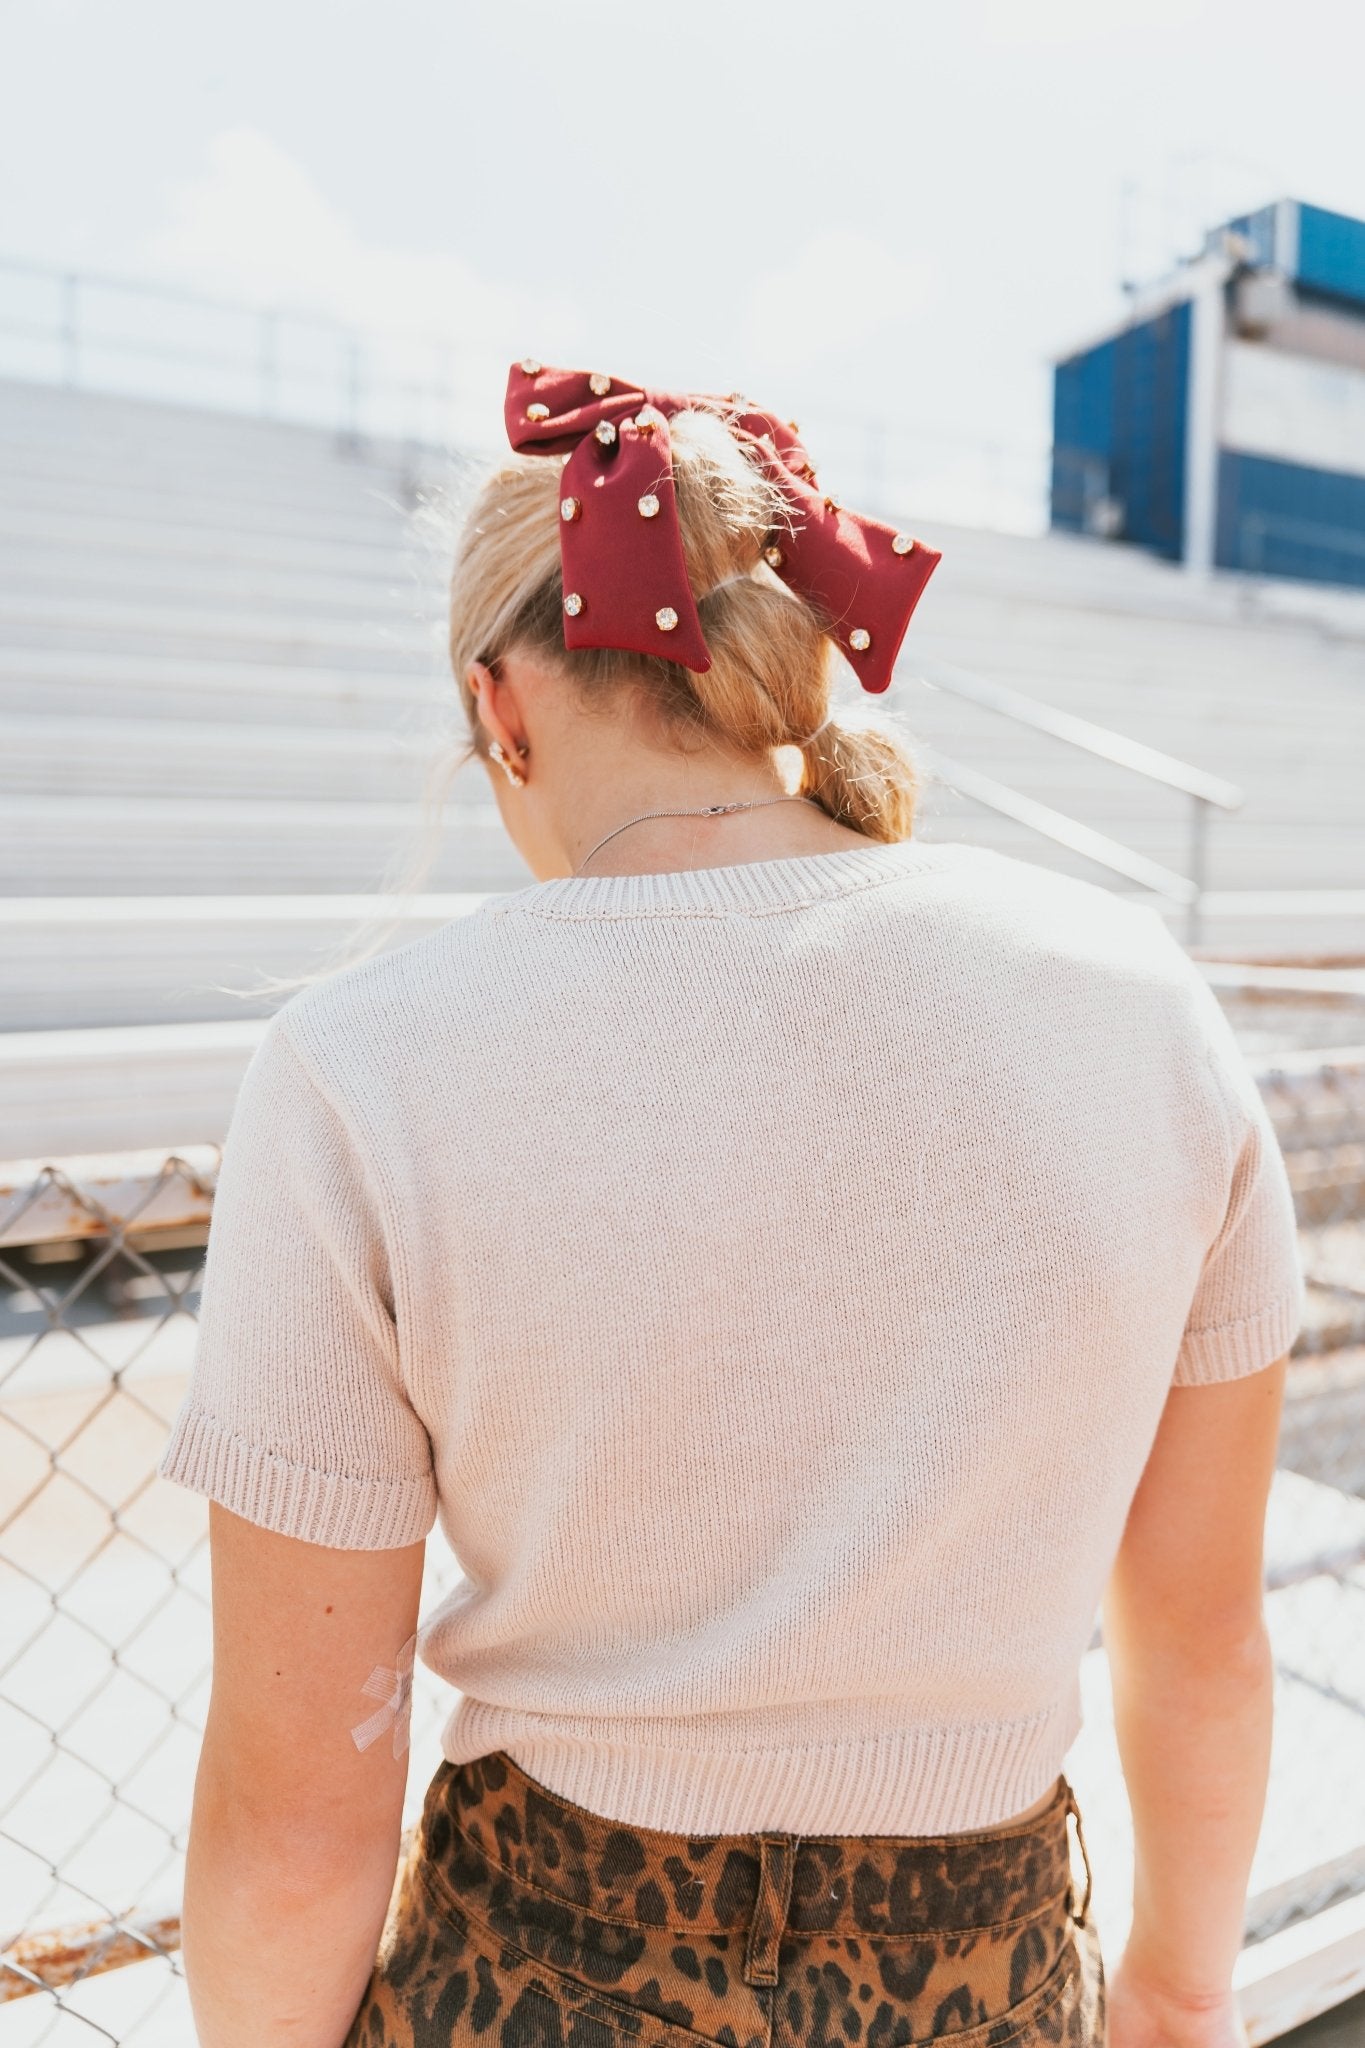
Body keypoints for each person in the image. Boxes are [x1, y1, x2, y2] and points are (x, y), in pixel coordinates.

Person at [158, 364, 1304, 2048]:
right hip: (983, 1982)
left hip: (536, 1976)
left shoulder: (359, 1068)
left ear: (500, 711)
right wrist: (1178, 1997)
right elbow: (1200, 1639)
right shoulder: (1134, 1002)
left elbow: (296, 1812)